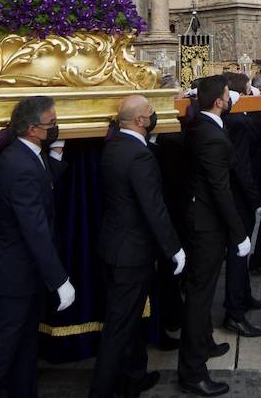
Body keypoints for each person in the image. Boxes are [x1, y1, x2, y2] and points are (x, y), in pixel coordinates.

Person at [0, 96, 74, 398]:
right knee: (2, 353)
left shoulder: (28, 155)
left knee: (26, 349)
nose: (55, 127)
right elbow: (35, 229)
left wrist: (54, 158)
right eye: (51, 124)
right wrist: (60, 280)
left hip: (25, 276)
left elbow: (41, 187)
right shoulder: (20, 164)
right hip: (14, 277)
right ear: (32, 128)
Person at [90, 95, 184, 398]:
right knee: (119, 327)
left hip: (112, 247)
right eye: (151, 112)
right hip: (131, 254)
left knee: (127, 322)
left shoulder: (114, 146)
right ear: (141, 121)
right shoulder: (139, 156)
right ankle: (101, 391)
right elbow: (153, 208)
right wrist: (174, 248)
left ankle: (133, 378)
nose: (155, 116)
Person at [176, 76, 248, 397]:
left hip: (196, 216)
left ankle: (203, 342)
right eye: (227, 96)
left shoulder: (199, 127)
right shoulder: (212, 137)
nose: (231, 99)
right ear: (219, 102)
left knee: (199, 289)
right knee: (200, 294)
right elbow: (220, 190)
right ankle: (192, 372)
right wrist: (238, 233)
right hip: (206, 225)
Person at [221, 74, 261, 339]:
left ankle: (244, 295)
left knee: (243, 249)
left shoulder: (236, 117)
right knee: (239, 251)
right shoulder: (239, 122)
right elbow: (242, 166)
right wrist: (256, 200)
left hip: (239, 195)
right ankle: (234, 312)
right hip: (239, 197)